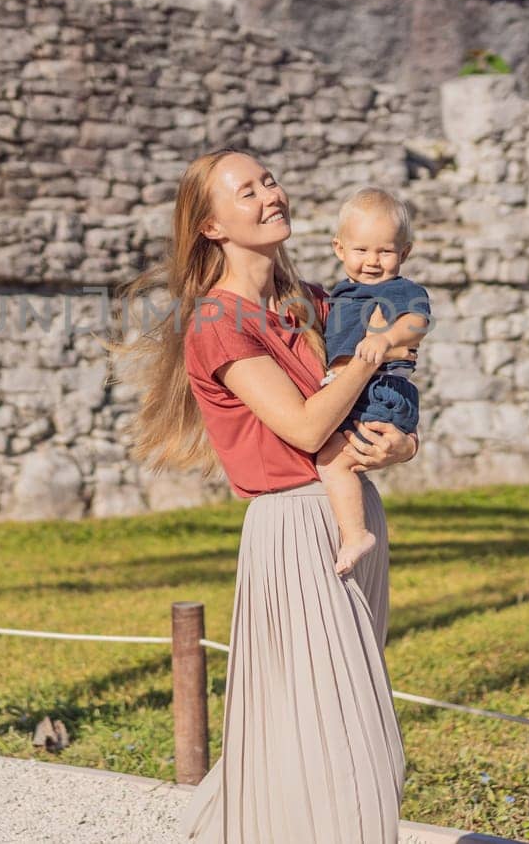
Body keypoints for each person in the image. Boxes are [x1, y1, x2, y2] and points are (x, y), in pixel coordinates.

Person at [117, 149, 419, 844]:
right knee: (356, 745)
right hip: (293, 529)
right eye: (244, 192)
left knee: (317, 724)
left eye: (269, 180)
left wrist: (404, 443)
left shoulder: (312, 301)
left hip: (353, 515)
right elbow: (310, 424)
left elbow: (382, 392)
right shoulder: (218, 323)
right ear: (212, 226)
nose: (267, 196)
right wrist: (372, 351)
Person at [314, 188, 431, 577]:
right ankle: (354, 529)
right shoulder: (340, 293)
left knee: (333, 461)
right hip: (360, 393)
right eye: (361, 250)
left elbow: (417, 324)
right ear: (339, 248)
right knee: (338, 458)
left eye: (384, 252)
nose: (372, 261)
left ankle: (356, 533)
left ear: (405, 253)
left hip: (381, 391)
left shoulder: (399, 290)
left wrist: (387, 339)